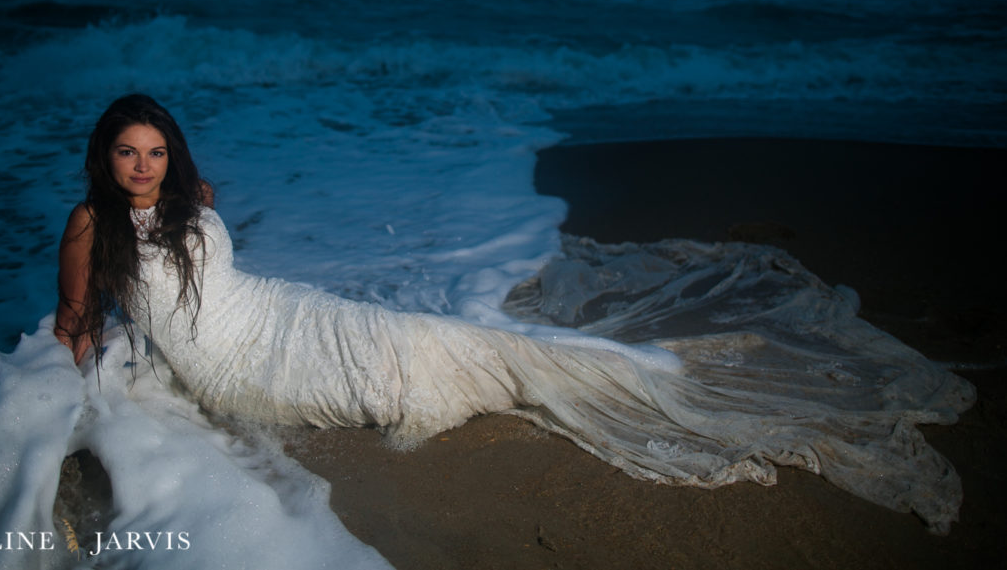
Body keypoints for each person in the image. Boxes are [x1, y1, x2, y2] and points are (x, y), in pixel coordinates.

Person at [53, 93, 973, 533]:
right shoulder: (92, 223)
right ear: (106, 157)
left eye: (156, 151)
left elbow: (218, 270)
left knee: (440, 339)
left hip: (283, 310)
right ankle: (571, 380)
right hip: (241, 363)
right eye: (128, 153)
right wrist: (80, 342)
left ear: (171, 154)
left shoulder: (192, 194)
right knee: (397, 379)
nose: (145, 166)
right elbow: (76, 307)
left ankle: (614, 374)